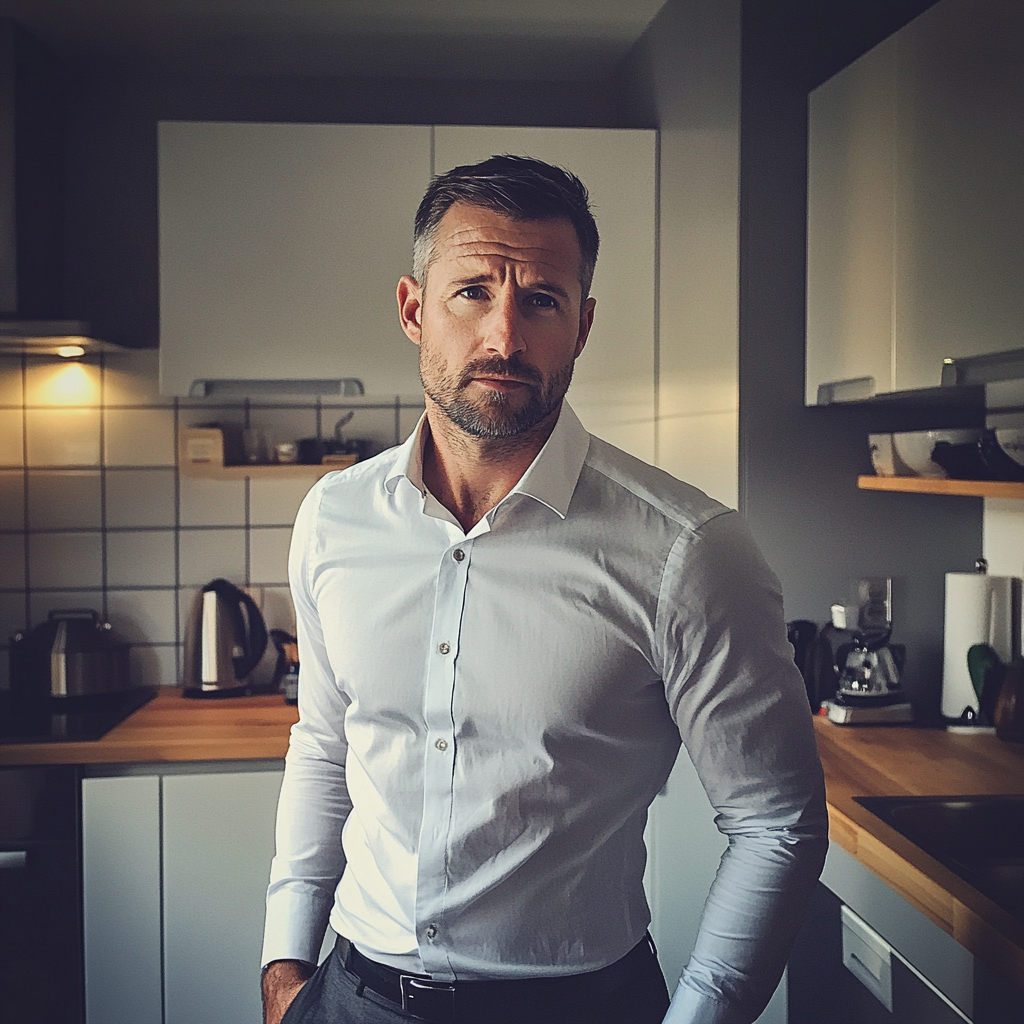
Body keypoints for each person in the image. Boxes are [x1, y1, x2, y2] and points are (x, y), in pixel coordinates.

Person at [261, 155, 828, 1024]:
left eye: (541, 299)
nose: (504, 337)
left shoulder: (689, 551)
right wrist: (285, 964)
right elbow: (325, 745)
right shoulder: (334, 519)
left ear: (583, 324)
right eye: (472, 292)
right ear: (414, 309)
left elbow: (777, 824)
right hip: (351, 995)